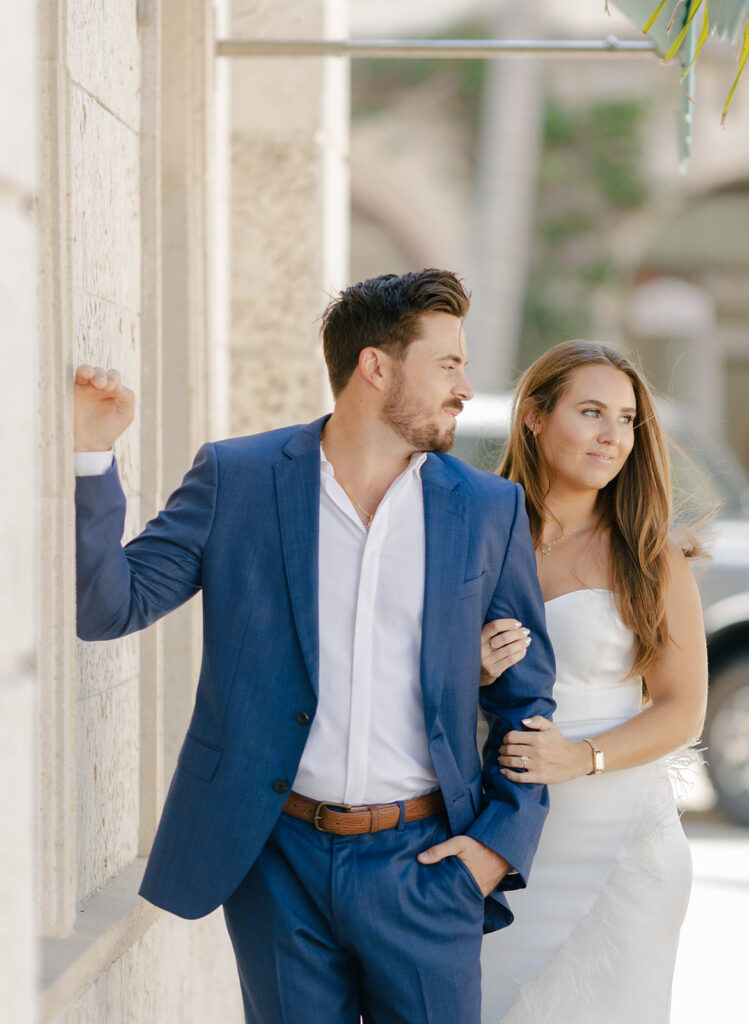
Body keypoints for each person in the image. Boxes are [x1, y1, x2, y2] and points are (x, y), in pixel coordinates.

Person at [73, 269, 556, 1024]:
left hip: (426, 866)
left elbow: (526, 702)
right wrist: (91, 458)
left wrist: (496, 847)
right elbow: (109, 606)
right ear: (375, 366)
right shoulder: (239, 479)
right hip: (277, 862)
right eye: (448, 364)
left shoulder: (488, 510)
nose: (464, 386)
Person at [477, 340, 708, 1023]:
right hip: (499, 844)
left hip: (616, 851)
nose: (613, 435)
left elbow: (681, 709)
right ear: (533, 416)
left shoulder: (649, 557)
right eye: (590, 411)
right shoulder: (475, 535)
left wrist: (579, 758)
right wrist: (471, 670)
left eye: (627, 419)